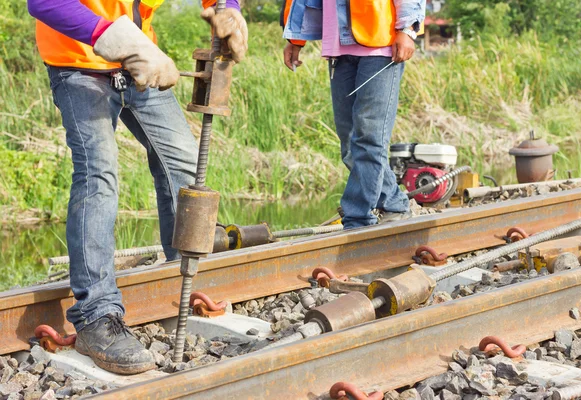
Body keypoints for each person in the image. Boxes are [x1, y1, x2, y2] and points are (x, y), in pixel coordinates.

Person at [27, 0, 247, 374]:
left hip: (140, 60)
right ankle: (97, 317)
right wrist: (113, 37)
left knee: (183, 163)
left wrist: (229, 8)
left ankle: (182, 280)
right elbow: (44, 2)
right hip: (78, 65)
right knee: (99, 176)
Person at [281, 0, 425, 230]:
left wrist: (407, 29)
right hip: (338, 45)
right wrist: (295, 39)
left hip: (381, 44)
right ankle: (394, 204)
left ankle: (357, 219)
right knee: (349, 143)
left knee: (370, 137)